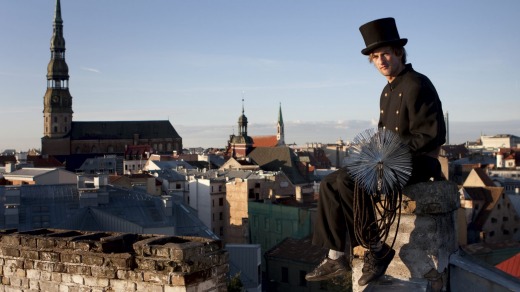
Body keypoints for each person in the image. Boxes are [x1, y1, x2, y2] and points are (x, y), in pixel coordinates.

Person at [305, 17, 446, 286]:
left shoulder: (417, 84)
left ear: (398, 53)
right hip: (390, 160)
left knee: (349, 181)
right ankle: (336, 256)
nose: (380, 61)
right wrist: (373, 154)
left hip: (419, 161)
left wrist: (391, 156)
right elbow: (384, 136)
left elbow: (431, 136)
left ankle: (378, 250)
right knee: (329, 182)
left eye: (385, 54)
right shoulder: (386, 91)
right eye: (374, 57)